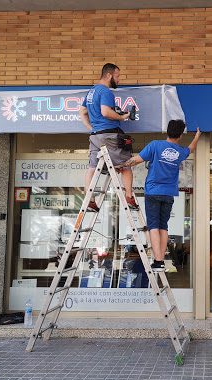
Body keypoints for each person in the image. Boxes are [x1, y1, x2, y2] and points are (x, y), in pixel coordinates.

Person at [118, 120, 201, 271]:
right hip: (168, 194)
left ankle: (157, 261)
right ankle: (161, 261)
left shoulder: (155, 145)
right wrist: (196, 136)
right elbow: (192, 148)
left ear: (167, 131)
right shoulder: (180, 151)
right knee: (163, 227)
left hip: (153, 192)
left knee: (153, 226)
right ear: (180, 136)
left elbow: (135, 161)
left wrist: (121, 165)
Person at [79, 63, 137, 211]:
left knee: (93, 167)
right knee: (126, 163)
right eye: (117, 77)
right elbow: (105, 112)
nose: (119, 80)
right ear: (109, 75)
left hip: (96, 136)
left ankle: (90, 200)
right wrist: (122, 117)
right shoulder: (105, 91)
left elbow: (82, 112)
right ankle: (129, 197)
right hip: (110, 134)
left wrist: (93, 129)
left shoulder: (92, 92)